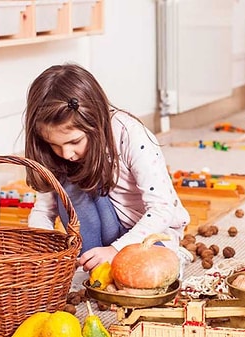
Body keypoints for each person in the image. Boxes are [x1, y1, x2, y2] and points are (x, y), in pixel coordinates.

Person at [24, 63, 191, 273]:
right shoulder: (59, 157)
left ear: (96, 122)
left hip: (147, 233)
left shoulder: (129, 134)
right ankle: (95, 262)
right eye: (55, 144)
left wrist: (116, 250)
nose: (66, 153)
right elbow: (43, 211)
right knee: (67, 185)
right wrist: (42, 251)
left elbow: (162, 208)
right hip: (105, 226)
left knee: (146, 275)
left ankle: (173, 255)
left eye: (75, 142)